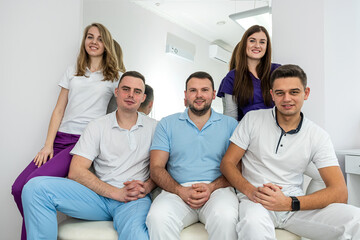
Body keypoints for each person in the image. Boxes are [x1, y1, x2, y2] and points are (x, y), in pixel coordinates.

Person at [220, 64, 360, 239]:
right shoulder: (252, 119)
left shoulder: (318, 135)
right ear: (272, 95)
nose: (287, 98)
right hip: (256, 201)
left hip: (294, 205)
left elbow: (340, 192)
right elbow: (227, 163)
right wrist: (250, 191)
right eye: (280, 93)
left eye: (294, 92)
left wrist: (289, 202)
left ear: (306, 93)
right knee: (252, 225)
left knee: (356, 220)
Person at [11, 22, 122, 240]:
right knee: (18, 188)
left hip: (81, 144)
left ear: (107, 44)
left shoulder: (115, 76)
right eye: (90, 37)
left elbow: (124, 108)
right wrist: (47, 145)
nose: (94, 42)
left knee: (32, 188)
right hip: (60, 138)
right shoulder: (73, 70)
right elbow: (59, 110)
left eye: (99, 39)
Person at [22, 71, 158, 240]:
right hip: (98, 198)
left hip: (133, 200)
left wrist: (148, 186)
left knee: (136, 235)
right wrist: (115, 193)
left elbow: (164, 169)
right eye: (126, 89)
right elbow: (76, 171)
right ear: (116, 92)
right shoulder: (97, 126)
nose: (131, 95)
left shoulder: (156, 128)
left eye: (137, 91)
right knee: (34, 188)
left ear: (143, 98)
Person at [146, 72, 239, 240]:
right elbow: (156, 168)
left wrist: (211, 188)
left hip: (218, 191)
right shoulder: (167, 124)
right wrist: (179, 190)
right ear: (185, 94)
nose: (199, 95)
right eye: (193, 90)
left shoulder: (231, 125)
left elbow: (237, 168)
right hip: (176, 191)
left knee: (226, 218)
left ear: (213, 94)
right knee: (157, 218)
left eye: (204, 90)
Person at [217, 25, 281, 121]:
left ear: (267, 46)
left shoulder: (277, 71)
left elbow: (288, 102)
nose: (257, 45)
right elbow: (231, 117)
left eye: (262, 42)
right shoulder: (233, 77)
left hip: (278, 129)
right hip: (249, 131)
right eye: (252, 41)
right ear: (244, 44)